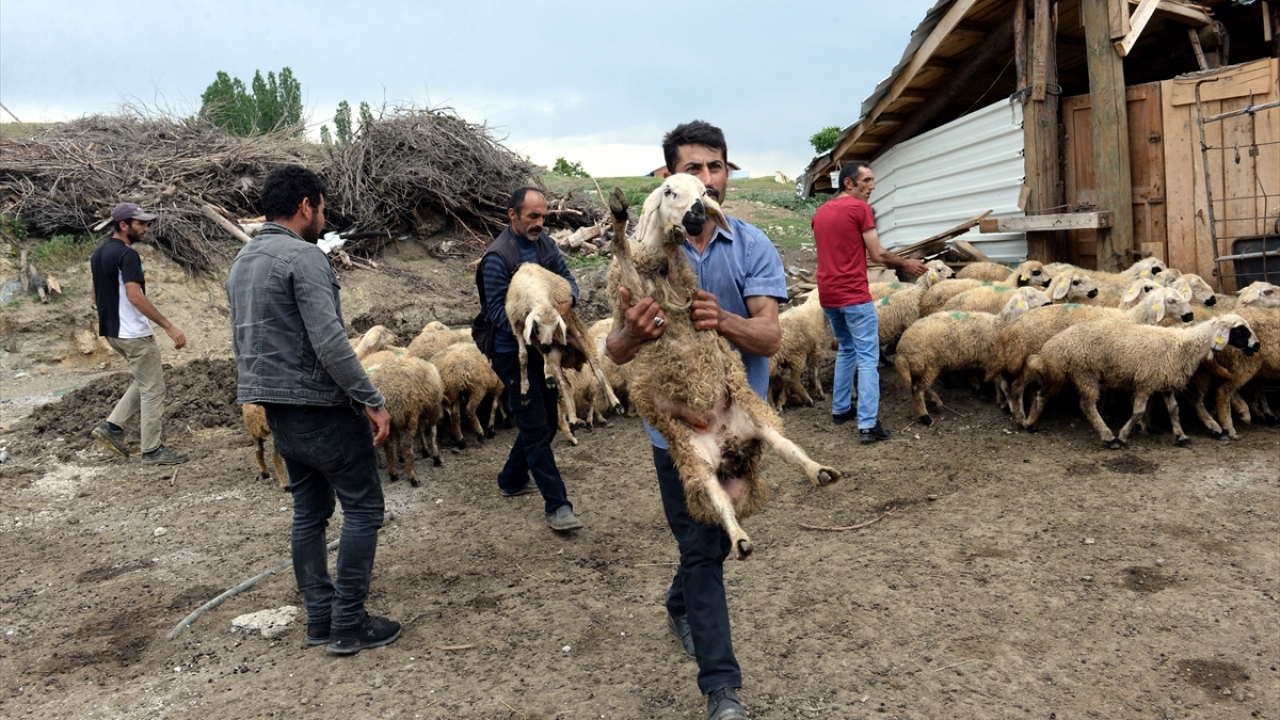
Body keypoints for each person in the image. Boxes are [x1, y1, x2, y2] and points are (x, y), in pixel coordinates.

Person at [605, 120, 787, 720]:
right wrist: (629, 336)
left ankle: (677, 604)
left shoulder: (753, 245)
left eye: (716, 168)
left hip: (735, 427)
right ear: (668, 181)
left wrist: (725, 321)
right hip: (675, 433)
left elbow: (771, 337)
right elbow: (612, 351)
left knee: (701, 542)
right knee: (707, 549)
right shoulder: (642, 256)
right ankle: (722, 690)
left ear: (727, 173)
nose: (707, 182)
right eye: (693, 171)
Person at [225, 165, 400, 656]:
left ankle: (320, 620)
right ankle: (349, 623)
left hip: (275, 408)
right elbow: (329, 341)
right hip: (321, 406)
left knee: (309, 511)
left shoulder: (242, 262)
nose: (324, 216)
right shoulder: (304, 258)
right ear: (307, 206)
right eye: (322, 207)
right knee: (364, 508)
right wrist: (371, 398)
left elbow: (246, 340)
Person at [475, 186, 584, 532]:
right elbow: (496, 312)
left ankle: (511, 478)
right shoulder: (498, 258)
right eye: (533, 216)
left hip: (546, 347)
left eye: (544, 216)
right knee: (536, 426)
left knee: (547, 423)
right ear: (513, 215)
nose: (540, 223)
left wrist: (566, 303)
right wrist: (539, 321)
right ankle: (558, 505)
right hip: (511, 353)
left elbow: (568, 280)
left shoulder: (545, 245)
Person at [811, 161, 927, 441]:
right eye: (866, 181)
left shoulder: (820, 213)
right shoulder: (859, 209)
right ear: (848, 183)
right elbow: (876, 253)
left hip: (828, 294)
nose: (872, 187)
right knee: (867, 356)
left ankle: (840, 410)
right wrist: (906, 263)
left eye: (873, 181)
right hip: (853, 294)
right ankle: (867, 424)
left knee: (846, 349)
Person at [90, 202, 189, 466]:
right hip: (133, 333)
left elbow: (94, 293)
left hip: (112, 331)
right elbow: (135, 295)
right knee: (154, 388)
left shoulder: (99, 253)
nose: (146, 228)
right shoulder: (128, 255)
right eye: (141, 224)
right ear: (124, 225)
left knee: (145, 381)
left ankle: (112, 427)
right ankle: (152, 450)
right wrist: (168, 325)